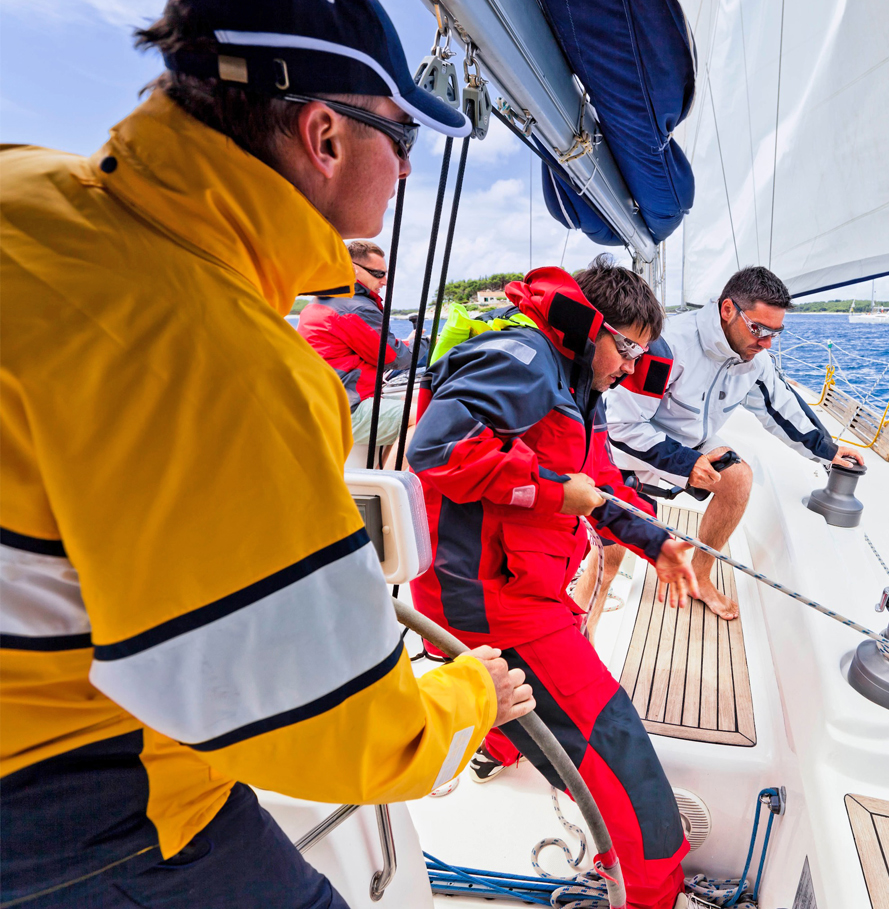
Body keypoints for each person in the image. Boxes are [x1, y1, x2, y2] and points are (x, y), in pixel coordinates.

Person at [0, 2, 534, 906]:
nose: (408, 168)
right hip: (75, 799)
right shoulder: (219, 357)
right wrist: (468, 695)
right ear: (325, 135)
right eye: (402, 138)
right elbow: (340, 731)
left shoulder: (27, 190)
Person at [407, 258, 698, 909]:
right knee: (611, 732)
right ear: (590, 326)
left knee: (548, 704)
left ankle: (497, 741)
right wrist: (551, 492)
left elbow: (601, 486)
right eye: (625, 349)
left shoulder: (576, 387)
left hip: (519, 588)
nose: (629, 368)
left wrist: (658, 544)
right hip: (489, 599)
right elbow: (437, 449)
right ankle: (651, 889)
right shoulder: (525, 358)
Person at [606, 266, 864, 619]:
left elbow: (781, 408)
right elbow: (620, 425)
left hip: (691, 443)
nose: (766, 343)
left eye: (776, 333)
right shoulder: (669, 345)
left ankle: (699, 574)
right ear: (727, 310)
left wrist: (830, 450)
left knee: (739, 478)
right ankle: (602, 581)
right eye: (759, 329)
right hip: (633, 448)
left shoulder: (753, 360)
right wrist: (684, 462)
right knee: (611, 550)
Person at [298, 239, 428, 449]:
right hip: (346, 410)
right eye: (379, 274)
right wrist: (423, 343)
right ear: (353, 270)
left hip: (323, 407)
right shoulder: (356, 308)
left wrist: (406, 342)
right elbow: (398, 358)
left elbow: (363, 347)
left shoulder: (324, 303)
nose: (385, 280)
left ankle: (384, 477)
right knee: (428, 418)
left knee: (420, 405)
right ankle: (393, 482)